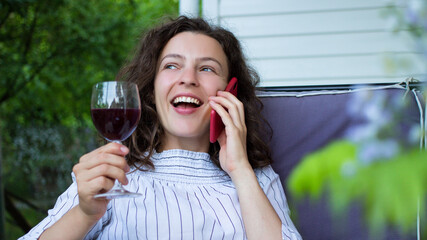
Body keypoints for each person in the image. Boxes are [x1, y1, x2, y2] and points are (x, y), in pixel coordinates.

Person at [20, 16, 302, 240]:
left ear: (230, 92)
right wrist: (84, 213)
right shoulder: (112, 174)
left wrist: (240, 169)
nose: (188, 79)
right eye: (171, 66)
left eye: (207, 69)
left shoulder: (258, 179)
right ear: (151, 89)